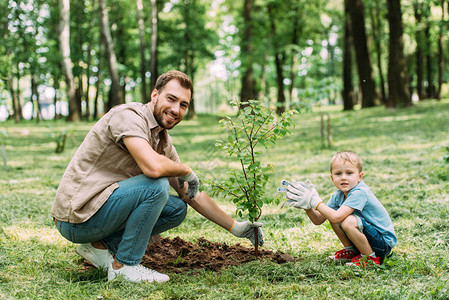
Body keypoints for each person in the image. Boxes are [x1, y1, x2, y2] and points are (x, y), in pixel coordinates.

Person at [52, 70, 263, 283]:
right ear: (155, 96)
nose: (176, 109)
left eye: (183, 105)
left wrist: (236, 227)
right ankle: (124, 267)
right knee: (156, 186)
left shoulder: (162, 139)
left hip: (99, 211)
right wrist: (186, 170)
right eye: (171, 99)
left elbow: (191, 194)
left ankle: (98, 246)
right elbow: (153, 168)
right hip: (77, 218)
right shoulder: (128, 116)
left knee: (177, 209)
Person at [278, 151, 396, 266]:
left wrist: (315, 202)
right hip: (367, 240)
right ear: (332, 178)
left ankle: (369, 258)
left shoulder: (359, 192)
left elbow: (336, 217)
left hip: (382, 244)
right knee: (332, 213)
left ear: (360, 177)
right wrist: (307, 206)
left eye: (349, 173)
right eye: (338, 174)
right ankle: (352, 252)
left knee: (347, 220)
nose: (343, 177)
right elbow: (318, 220)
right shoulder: (338, 196)